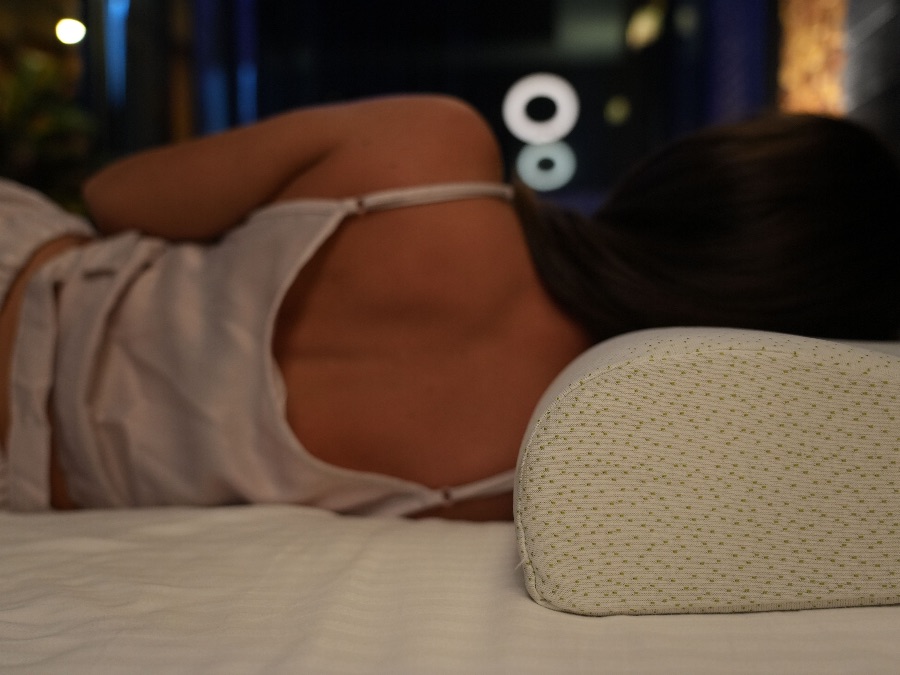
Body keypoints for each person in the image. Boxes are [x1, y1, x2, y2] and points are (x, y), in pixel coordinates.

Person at [1, 94, 898, 520]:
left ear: (695, 175)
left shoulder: (429, 154)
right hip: (30, 491)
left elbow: (117, 194)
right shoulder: (543, 485)